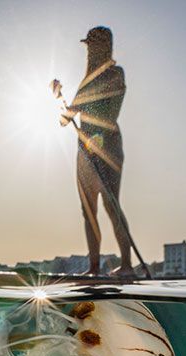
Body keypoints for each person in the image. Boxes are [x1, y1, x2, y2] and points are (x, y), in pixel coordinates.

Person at [61, 26, 133, 277]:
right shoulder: (86, 80)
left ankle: (126, 265)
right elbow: (67, 116)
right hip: (85, 149)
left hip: (108, 147)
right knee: (88, 210)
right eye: (88, 46)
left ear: (103, 46)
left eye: (93, 45)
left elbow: (111, 114)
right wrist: (59, 98)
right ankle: (93, 268)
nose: (90, 50)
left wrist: (97, 142)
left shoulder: (115, 74)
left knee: (112, 205)